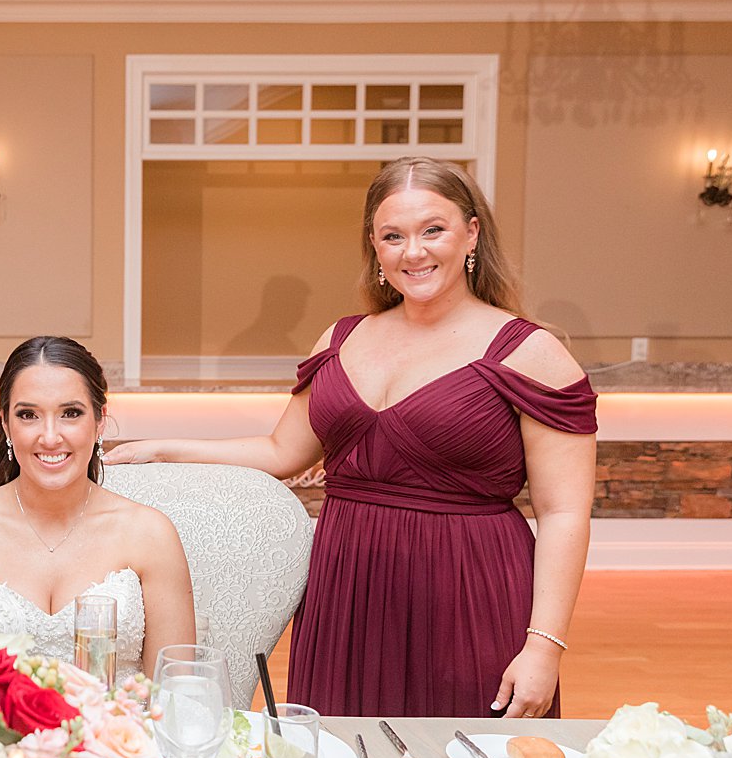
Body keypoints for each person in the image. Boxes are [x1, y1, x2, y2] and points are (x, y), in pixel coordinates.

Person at [107, 157, 596, 719]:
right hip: (348, 588)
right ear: (375, 247)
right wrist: (165, 449)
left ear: (472, 233)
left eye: (432, 229)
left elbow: (564, 513)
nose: (414, 251)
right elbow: (282, 452)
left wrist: (544, 646)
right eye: (394, 236)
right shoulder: (342, 338)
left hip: (469, 588)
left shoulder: (529, 351)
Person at [0, 336, 195, 680]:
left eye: (71, 413)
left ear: (100, 421)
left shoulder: (150, 534)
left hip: (125, 732)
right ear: (6, 424)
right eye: (28, 415)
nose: (50, 436)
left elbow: (177, 690)